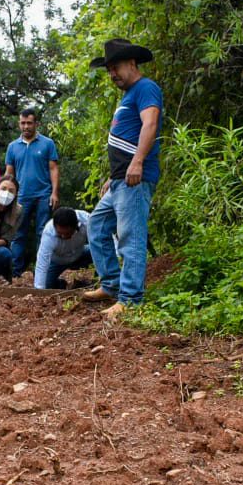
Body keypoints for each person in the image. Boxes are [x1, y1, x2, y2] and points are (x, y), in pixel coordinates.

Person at [85, 38, 163, 319]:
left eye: (115, 67)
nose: (112, 74)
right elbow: (125, 138)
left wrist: (138, 162)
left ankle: (130, 299)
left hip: (134, 180)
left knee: (131, 237)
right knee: (96, 226)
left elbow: (150, 124)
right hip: (119, 181)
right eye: (108, 70)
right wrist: (113, 174)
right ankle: (112, 285)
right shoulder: (128, 95)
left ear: (132, 63)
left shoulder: (146, 88)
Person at [3, 107, 61, 279]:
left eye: (29, 123)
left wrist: (55, 193)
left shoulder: (47, 143)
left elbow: (54, 169)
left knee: (43, 232)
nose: (26, 126)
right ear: (19, 124)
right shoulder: (12, 147)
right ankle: (15, 273)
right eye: (22, 123)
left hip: (44, 194)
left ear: (36, 123)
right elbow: (9, 173)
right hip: (21, 196)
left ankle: (41, 272)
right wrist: (6, 196)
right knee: (18, 233)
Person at [34, 208, 93, 289]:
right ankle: (61, 284)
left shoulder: (86, 220)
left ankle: (98, 282)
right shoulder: (49, 233)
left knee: (97, 250)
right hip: (57, 262)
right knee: (47, 285)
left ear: (76, 225)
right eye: (59, 233)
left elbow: (101, 237)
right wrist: (39, 290)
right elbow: (42, 262)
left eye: (68, 233)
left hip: (80, 254)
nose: (64, 236)